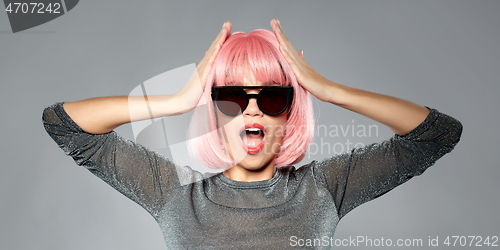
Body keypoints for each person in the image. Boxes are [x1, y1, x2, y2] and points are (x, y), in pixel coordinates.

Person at [42, 20, 462, 249]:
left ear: (289, 113)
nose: (253, 109)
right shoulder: (173, 193)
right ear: (216, 113)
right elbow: (65, 125)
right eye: (231, 98)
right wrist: (176, 100)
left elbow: (436, 135)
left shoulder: (323, 188)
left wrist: (331, 91)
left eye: (274, 98)